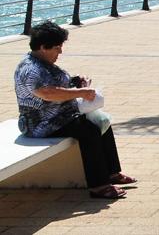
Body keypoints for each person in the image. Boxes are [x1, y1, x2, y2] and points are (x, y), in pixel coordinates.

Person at [14, 21, 136, 199]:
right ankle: (98, 185)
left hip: (60, 116)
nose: (60, 52)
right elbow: (47, 93)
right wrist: (81, 92)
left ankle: (112, 172)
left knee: (102, 121)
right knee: (89, 131)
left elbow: (55, 85)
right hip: (42, 123)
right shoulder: (31, 69)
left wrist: (75, 81)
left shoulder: (42, 62)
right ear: (42, 47)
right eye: (57, 48)